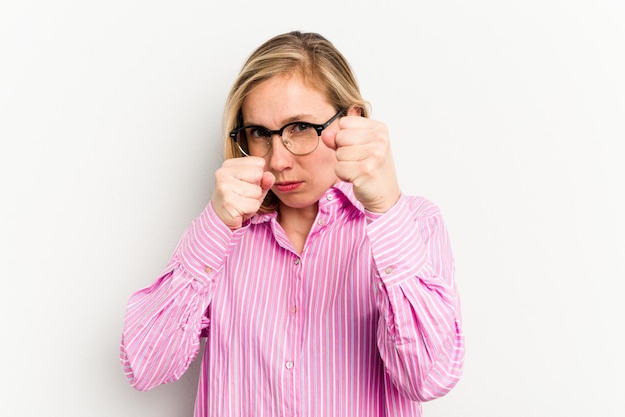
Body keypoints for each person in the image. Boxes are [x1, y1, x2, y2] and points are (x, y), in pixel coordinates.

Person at [120, 31, 464, 417]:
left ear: (352, 121)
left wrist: (384, 208)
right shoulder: (221, 240)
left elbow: (429, 378)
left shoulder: (414, 224)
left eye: (300, 127)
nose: (278, 160)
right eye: (259, 134)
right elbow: (144, 366)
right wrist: (216, 226)